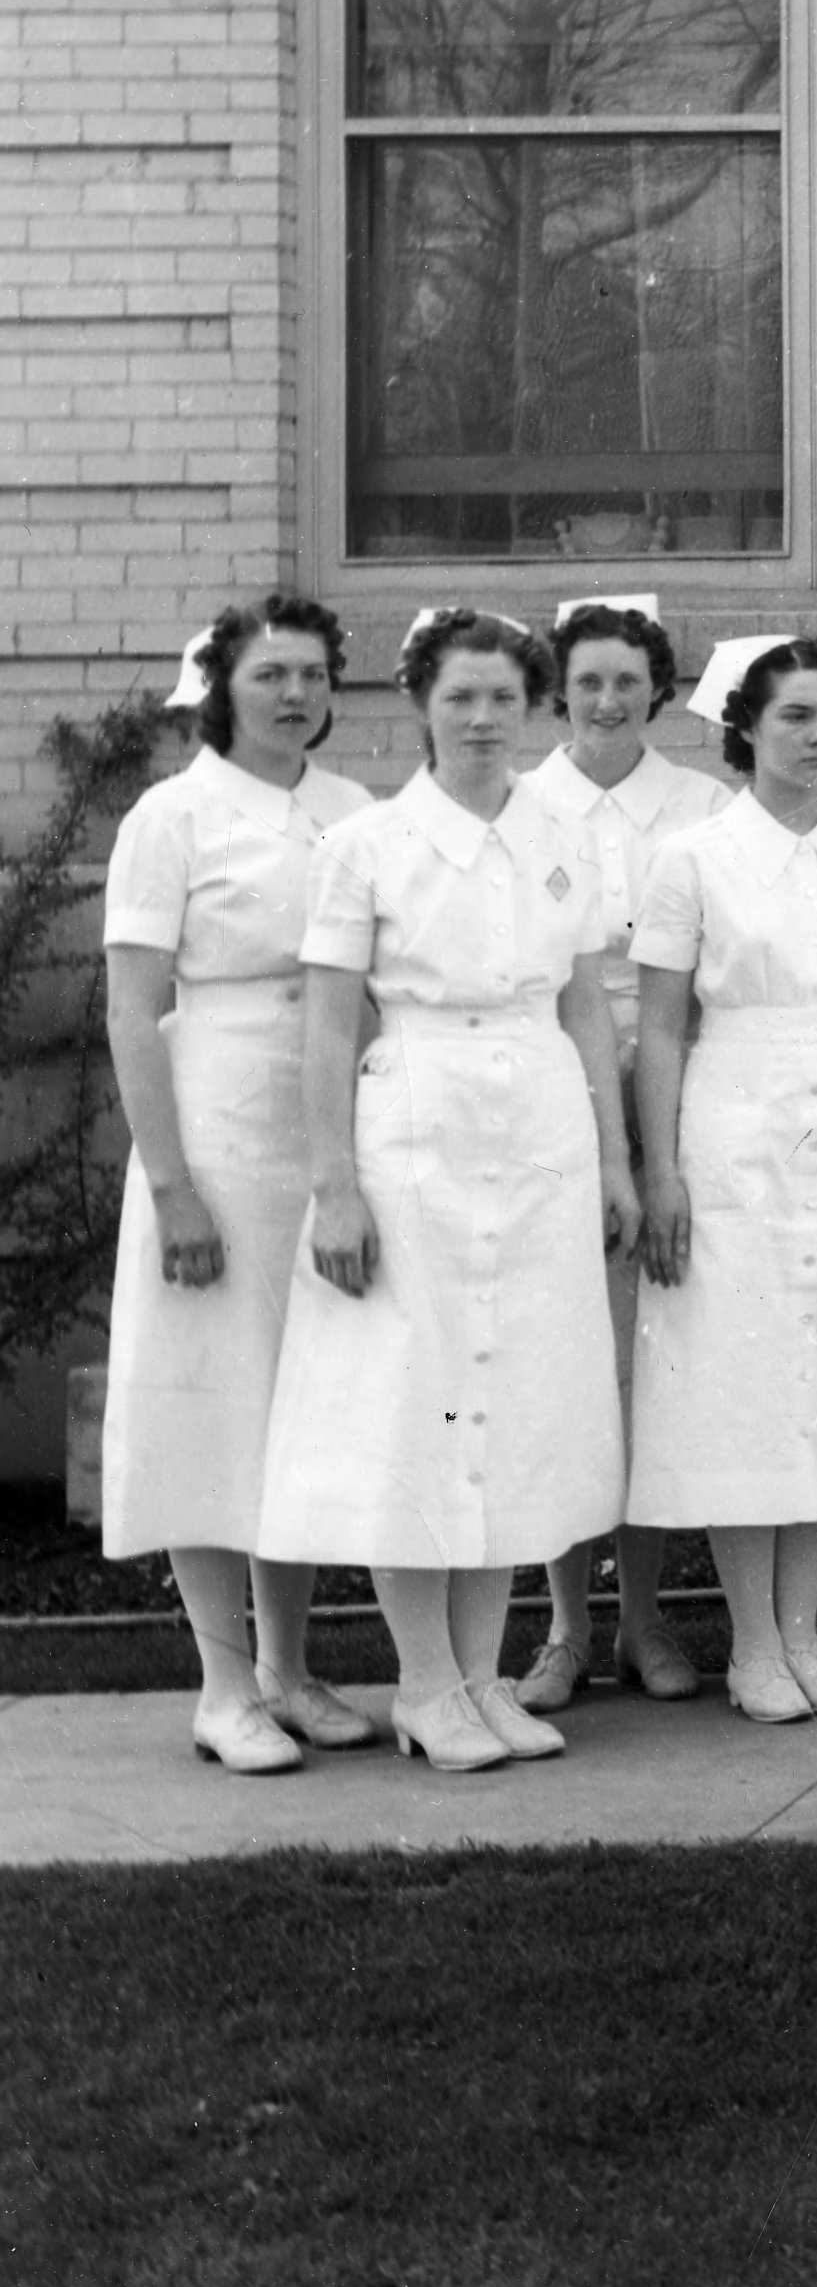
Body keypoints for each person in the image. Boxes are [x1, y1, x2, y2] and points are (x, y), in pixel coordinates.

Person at [256, 609, 637, 1773]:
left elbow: (583, 1002)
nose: (482, 720)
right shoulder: (365, 845)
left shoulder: (564, 832)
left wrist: (615, 1156)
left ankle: (479, 1679)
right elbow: (326, 1024)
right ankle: (424, 1683)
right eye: (460, 698)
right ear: (421, 701)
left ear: (533, 710)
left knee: (515, 1406)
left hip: (540, 1125)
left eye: (504, 700)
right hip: (411, 1121)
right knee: (412, 1408)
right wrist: (334, 1185)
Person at [625, 636, 817, 1723]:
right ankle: (751, 1644)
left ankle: (804, 1630)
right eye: (795, 717)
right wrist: (661, 1169)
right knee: (743, 1382)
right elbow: (661, 1029)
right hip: (734, 1123)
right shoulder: (693, 856)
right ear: (745, 729)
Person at [100, 600, 377, 1772]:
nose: (295, 693)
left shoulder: (354, 810)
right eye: (270, 673)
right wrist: (171, 1186)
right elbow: (130, 1005)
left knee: (302, 1404)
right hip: (212, 1124)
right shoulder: (172, 815)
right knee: (214, 1402)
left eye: (313, 673)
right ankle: (222, 1688)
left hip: (326, 1124)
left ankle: (290, 1668)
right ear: (223, 686)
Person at [517, 597, 723, 1711]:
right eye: (587, 679)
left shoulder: (702, 807)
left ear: (660, 687)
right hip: (548, 1103)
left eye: (628, 679)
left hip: (674, 1098)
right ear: (561, 688)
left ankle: (645, 1617)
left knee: (651, 1361)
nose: (607, 699)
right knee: (565, 1358)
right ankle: (562, 1625)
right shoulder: (522, 806)